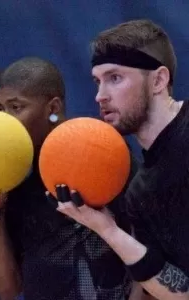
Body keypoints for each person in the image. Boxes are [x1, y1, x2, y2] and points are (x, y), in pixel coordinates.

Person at [0, 57, 141, 300]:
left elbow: (147, 245)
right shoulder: (13, 175)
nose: (5, 120)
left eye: (16, 107)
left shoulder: (98, 149)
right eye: (0, 109)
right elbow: (8, 289)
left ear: (52, 109)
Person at [54, 19, 189, 300]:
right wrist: (106, 229)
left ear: (158, 80)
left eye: (115, 78)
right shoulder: (140, 191)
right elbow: (181, 291)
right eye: (97, 81)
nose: (100, 96)